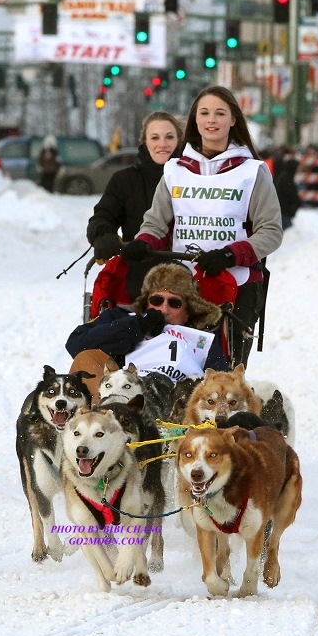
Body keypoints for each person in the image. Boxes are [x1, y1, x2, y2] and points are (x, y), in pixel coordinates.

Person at [120, 85, 283, 369]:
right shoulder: (175, 170)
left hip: (236, 284)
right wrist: (144, 242)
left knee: (224, 375)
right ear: (194, 120)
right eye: (204, 113)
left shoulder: (251, 172)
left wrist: (230, 254)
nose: (211, 120)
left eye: (220, 113)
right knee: (179, 368)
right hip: (183, 287)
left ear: (233, 120)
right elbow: (157, 223)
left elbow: (271, 231)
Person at [67, 261, 230, 402]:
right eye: (157, 300)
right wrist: (138, 325)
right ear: (146, 302)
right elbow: (77, 345)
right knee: (86, 358)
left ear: (188, 311)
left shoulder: (200, 337)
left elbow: (224, 380)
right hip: (121, 398)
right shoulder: (122, 318)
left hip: (179, 401)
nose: (164, 310)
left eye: (174, 303)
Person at [86, 111, 183, 303]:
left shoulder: (196, 179)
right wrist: (103, 235)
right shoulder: (124, 181)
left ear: (179, 141)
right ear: (145, 142)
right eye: (155, 137)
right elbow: (103, 215)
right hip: (139, 271)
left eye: (169, 137)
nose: (162, 144)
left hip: (186, 269)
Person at [274, 157, 301, 230]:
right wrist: (297, 202)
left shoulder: (284, 176)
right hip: (284, 211)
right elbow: (290, 193)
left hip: (283, 210)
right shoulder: (286, 179)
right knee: (289, 232)